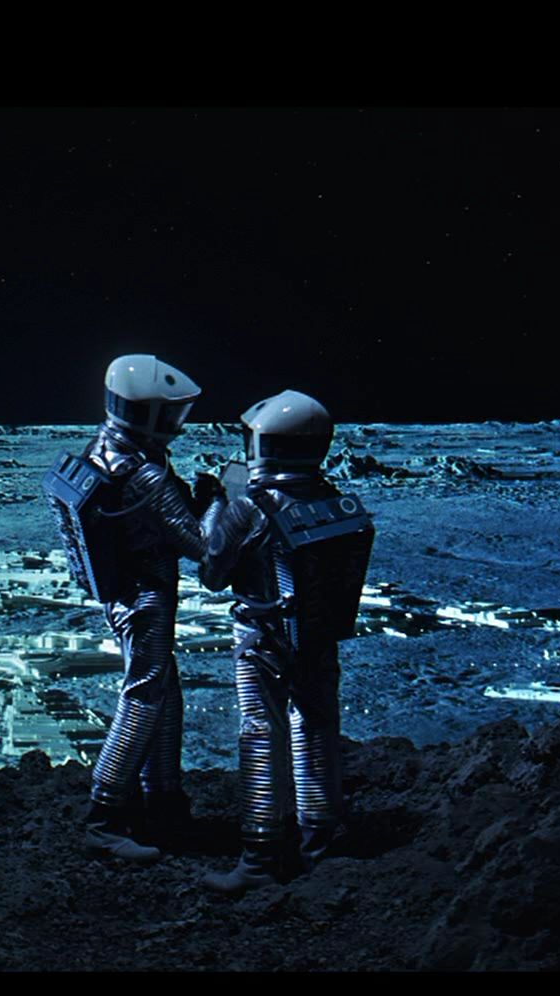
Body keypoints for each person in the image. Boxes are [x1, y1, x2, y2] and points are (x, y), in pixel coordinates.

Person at [198, 389, 375, 894]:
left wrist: (214, 504)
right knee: (317, 729)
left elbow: (213, 573)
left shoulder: (250, 508)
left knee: (261, 734)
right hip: (317, 639)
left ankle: (259, 859)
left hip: (261, 640)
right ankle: (320, 849)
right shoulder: (332, 501)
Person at [43, 354, 207, 861]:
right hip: (146, 595)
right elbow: (201, 546)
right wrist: (222, 498)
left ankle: (162, 807)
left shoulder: (106, 448)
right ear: (145, 413)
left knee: (163, 693)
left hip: (126, 594)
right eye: (170, 413)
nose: (178, 424)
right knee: (144, 697)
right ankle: (106, 818)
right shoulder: (143, 474)